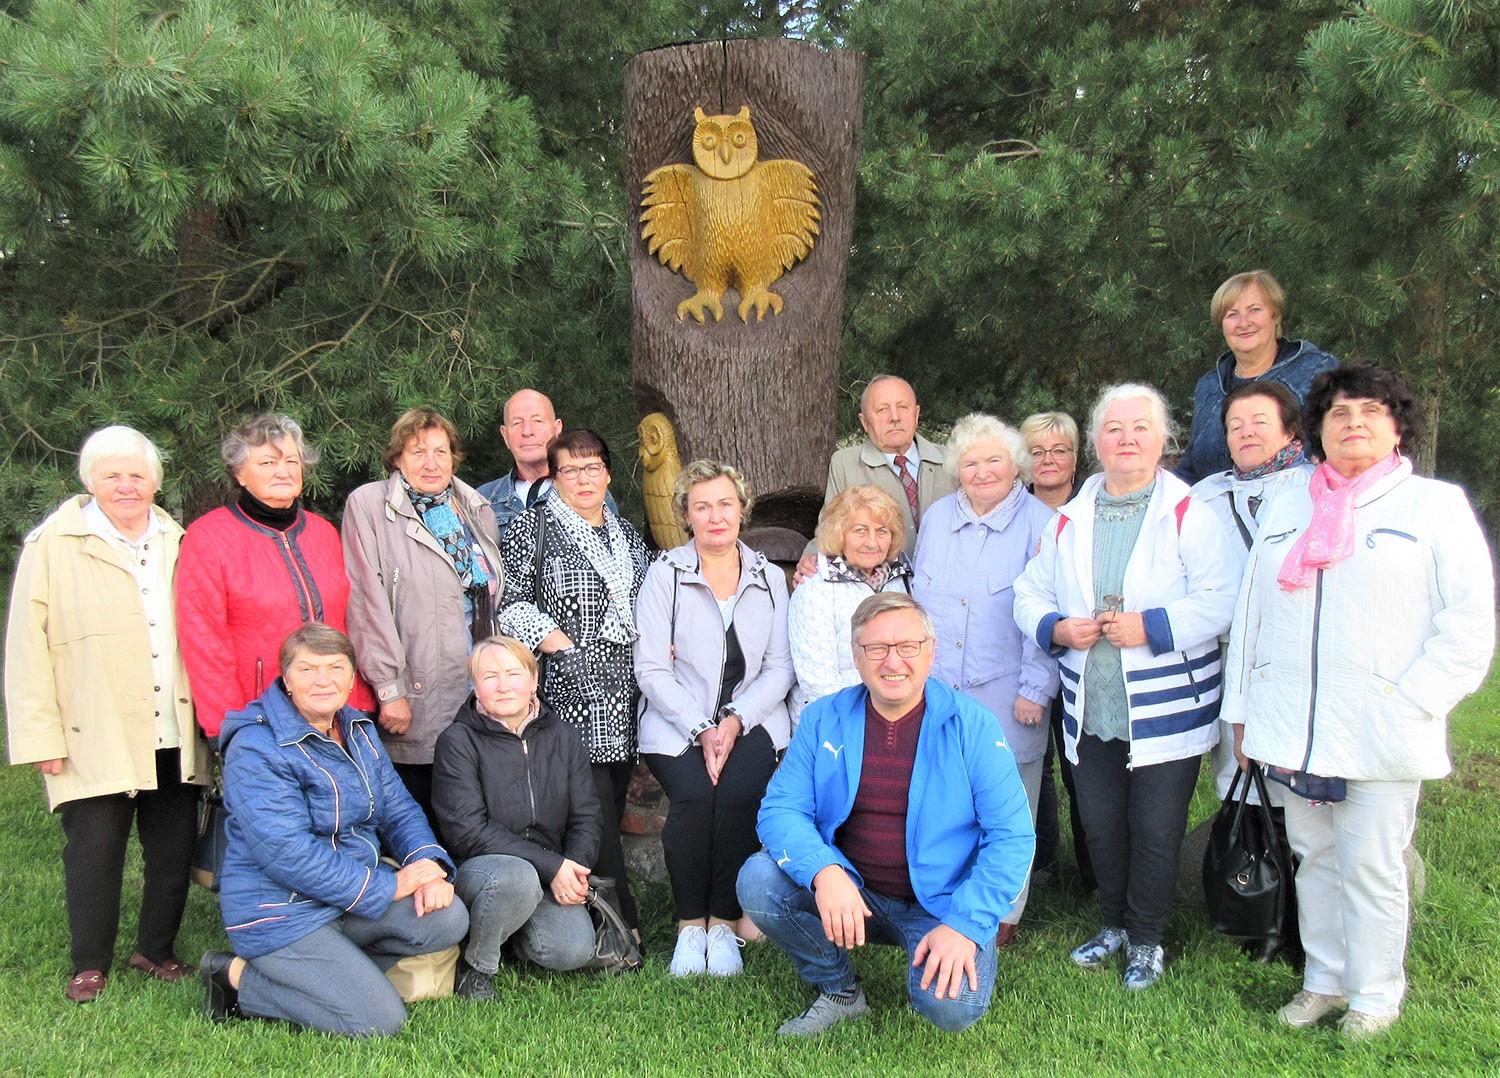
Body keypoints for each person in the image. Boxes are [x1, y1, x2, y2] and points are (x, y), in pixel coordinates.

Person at [1222, 364, 1494, 1041]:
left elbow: (1468, 622)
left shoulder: (1433, 507)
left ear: (1396, 424)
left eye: (1371, 411)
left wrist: (1414, 703)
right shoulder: (1291, 504)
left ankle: (1376, 995)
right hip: (1295, 726)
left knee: (1373, 865)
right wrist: (1244, 710)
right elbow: (1253, 612)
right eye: (1340, 413)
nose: (1354, 424)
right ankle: (1324, 980)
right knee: (1313, 856)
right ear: (1319, 427)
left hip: (1380, 728)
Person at [1013, 384, 1239, 990]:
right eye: (1114, 429)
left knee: (1157, 828)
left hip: (1166, 706)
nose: (1128, 439)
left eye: (1141, 427)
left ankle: (1146, 939)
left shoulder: (1190, 512)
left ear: (1164, 440)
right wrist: (1056, 626)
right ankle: (1111, 923)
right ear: (1096, 443)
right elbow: (1028, 592)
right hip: (1091, 704)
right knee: (1102, 826)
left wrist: (1152, 626)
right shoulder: (1068, 518)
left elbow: (1223, 599)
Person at [737, 593, 1033, 1036]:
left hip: (942, 904)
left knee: (951, 1007)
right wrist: (826, 873)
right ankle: (840, 991)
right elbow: (781, 810)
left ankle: (957, 944)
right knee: (758, 881)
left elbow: (1012, 837)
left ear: (930, 651)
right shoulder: (823, 719)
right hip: (854, 894)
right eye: (877, 648)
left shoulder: (973, 726)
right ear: (857, 656)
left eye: (907, 646)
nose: (893, 660)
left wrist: (965, 925)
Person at [5, 426, 211, 1003]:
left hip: (170, 723)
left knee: (171, 847)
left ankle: (155, 949)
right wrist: (39, 734)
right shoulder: (53, 544)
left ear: (156, 482)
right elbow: (26, 646)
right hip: (91, 727)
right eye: (112, 475)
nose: (126, 486)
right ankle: (89, 961)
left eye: (137, 475)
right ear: (89, 480)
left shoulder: (179, 539)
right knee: (95, 851)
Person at [200, 624, 467, 1037]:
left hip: (347, 899)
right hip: (281, 910)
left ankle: (338, 974)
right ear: (286, 679)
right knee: (378, 1021)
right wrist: (386, 888)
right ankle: (238, 977)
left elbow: (397, 809)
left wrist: (427, 864)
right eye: (307, 669)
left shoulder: (357, 729)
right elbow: (286, 852)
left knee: (447, 918)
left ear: (351, 675)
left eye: (335, 667)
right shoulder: (257, 746)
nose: (323, 680)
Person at [634, 461, 795, 976]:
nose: (715, 515)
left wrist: (735, 721)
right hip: (676, 720)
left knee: (740, 794)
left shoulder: (769, 577)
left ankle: (723, 924)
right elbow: (652, 667)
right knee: (697, 795)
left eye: (725, 503)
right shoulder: (665, 574)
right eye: (702, 506)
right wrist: (701, 727)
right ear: (686, 515)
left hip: (750, 719)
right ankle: (689, 928)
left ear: (742, 509)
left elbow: (780, 666)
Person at [500, 428, 651, 935]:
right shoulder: (531, 528)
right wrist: (557, 642)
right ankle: (617, 917)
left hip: (626, 687)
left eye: (592, 469)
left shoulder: (627, 534)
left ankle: (596, 910)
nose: (583, 479)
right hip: (570, 686)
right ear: (554, 476)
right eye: (570, 470)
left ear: (608, 472)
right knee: (589, 802)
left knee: (614, 792)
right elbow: (510, 604)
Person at [913, 414, 1057, 946]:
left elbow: (1046, 611)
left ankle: (1003, 914)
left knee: (1009, 803)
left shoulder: (1041, 524)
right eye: (970, 462)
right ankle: (947, 898)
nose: (982, 471)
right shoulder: (935, 518)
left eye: (994, 459)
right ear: (957, 471)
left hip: (1007, 689)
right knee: (947, 798)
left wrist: (1034, 689)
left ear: (1015, 464)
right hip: (939, 691)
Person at [343, 407, 503, 824]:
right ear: (397, 458)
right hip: (416, 683)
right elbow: (366, 600)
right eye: (418, 452)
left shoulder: (474, 507)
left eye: (441, 451)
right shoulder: (370, 506)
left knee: (470, 805)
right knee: (419, 810)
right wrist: (388, 687)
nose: (431, 463)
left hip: (474, 680)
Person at [176, 413, 374, 742]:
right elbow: (204, 639)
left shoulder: (322, 533)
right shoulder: (208, 537)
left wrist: (359, 701)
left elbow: (349, 621)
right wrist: (228, 724)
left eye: (292, 461)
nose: (283, 471)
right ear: (240, 473)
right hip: (262, 717)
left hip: (335, 712)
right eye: (268, 462)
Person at [433, 636, 602, 998]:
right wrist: (551, 866)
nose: (504, 684)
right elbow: (467, 831)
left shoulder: (563, 736)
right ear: (475, 686)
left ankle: (508, 935)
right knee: (518, 877)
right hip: (483, 871)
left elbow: (586, 814)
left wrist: (574, 868)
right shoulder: (457, 741)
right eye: (490, 675)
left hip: (547, 872)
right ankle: (476, 966)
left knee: (571, 949)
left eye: (514, 673)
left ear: (533, 680)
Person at [1188, 380, 1312, 799]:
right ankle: (1250, 861)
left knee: (1298, 781)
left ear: (1290, 430)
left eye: (1260, 421)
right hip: (1227, 654)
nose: (1246, 432)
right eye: (1235, 425)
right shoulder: (1204, 496)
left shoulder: (1318, 490)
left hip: (1296, 655)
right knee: (1239, 779)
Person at [1019, 411, 1094, 893]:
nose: (1048, 460)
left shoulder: (1092, 507)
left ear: (1074, 458)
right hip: (1022, 652)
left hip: (1078, 654)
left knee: (1080, 767)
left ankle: (1093, 873)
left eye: (1059, 450)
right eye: (1037, 451)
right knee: (1033, 764)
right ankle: (1042, 863)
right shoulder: (1008, 507)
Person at [1176, 269, 1337, 485]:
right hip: (1215, 512)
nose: (1243, 323)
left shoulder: (1315, 369)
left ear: (1276, 315)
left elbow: (1340, 447)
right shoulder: (1210, 386)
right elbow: (1191, 468)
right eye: (1232, 314)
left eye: (1254, 310)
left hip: (1296, 508)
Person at [797, 375, 954, 577]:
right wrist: (810, 559)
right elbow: (830, 528)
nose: (895, 417)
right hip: (882, 586)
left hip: (946, 585)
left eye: (903, 407)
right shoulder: (845, 463)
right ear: (864, 421)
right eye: (882, 409)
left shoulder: (953, 461)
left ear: (916, 414)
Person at [787, 485, 912, 724]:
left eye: (882, 531)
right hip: (836, 722)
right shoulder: (815, 588)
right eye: (860, 531)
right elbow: (818, 685)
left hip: (896, 716)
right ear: (839, 533)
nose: (872, 542)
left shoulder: (902, 580)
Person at [476, 388, 616, 535]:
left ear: (557, 429)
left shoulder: (587, 493)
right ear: (505, 435)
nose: (527, 431)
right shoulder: (482, 500)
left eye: (537, 421)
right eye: (517, 423)